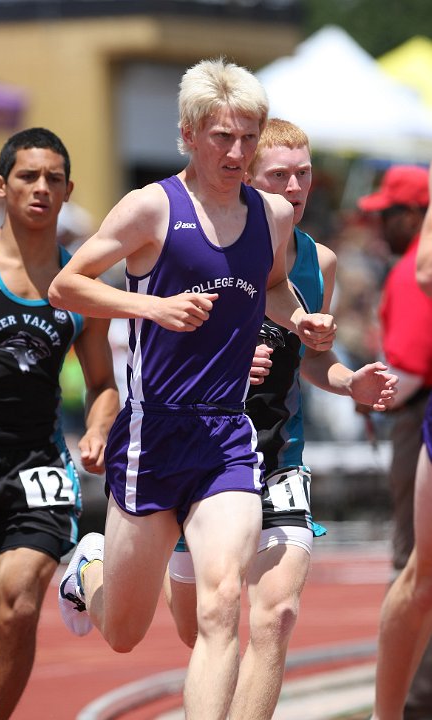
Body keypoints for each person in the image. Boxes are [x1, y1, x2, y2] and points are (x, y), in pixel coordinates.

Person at [49, 59, 337, 720]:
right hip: (151, 433)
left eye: (246, 137)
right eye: (220, 138)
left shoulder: (268, 215)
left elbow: (270, 286)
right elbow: (68, 286)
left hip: (225, 436)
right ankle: (86, 567)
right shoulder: (151, 207)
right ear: (187, 134)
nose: (235, 152)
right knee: (121, 631)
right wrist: (149, 307)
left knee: (221, 604)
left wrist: (302, 320)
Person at [164, 118, 398, 719]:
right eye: (279, 175)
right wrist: (223, 366)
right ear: (247, 177)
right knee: (201, 631)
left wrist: (351, 383)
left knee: (277, 614)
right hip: (200, 456)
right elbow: (153, 348)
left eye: (304, 174)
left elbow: (315, 363)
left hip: (278, 459)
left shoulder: (319, 262)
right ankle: (94, 566)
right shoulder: (203, 249)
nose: (295, 187)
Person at [0, 127, 119, 720]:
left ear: (68, 189)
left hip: (37, 467)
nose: (41, 188)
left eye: (53, 178)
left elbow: (103, 384)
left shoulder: (80, 287)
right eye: (28, 176)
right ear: (2, 186)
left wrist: (99, 429)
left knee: (21, 603)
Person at [357, 165, 432, 720]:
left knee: (413, 567)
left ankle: (413, 699)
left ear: (415, 214)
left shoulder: (412, 271)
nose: (377, 224)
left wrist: (366, 395)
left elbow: (408, 368)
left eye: (387, 214)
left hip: (415, 419)